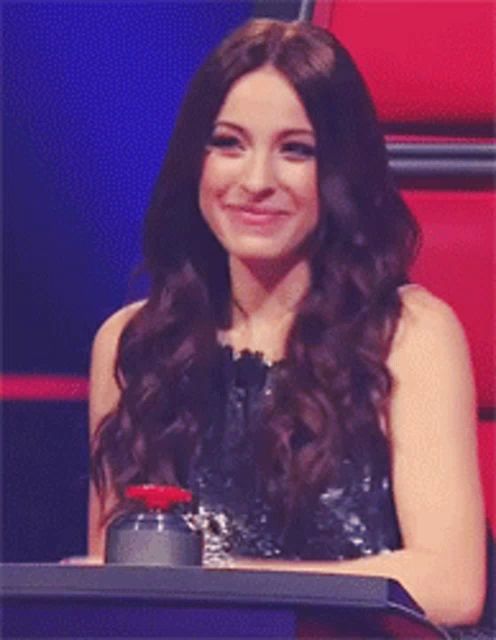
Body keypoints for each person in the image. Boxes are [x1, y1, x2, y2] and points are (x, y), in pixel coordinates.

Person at [87, 18, 487, 631]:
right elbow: (112, 588)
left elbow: (453, 583)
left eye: (295, 149)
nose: (256, 182)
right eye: (228, 143)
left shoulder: (409, 335)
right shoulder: (131, 345)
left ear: (338, 170)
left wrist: (222, 582)